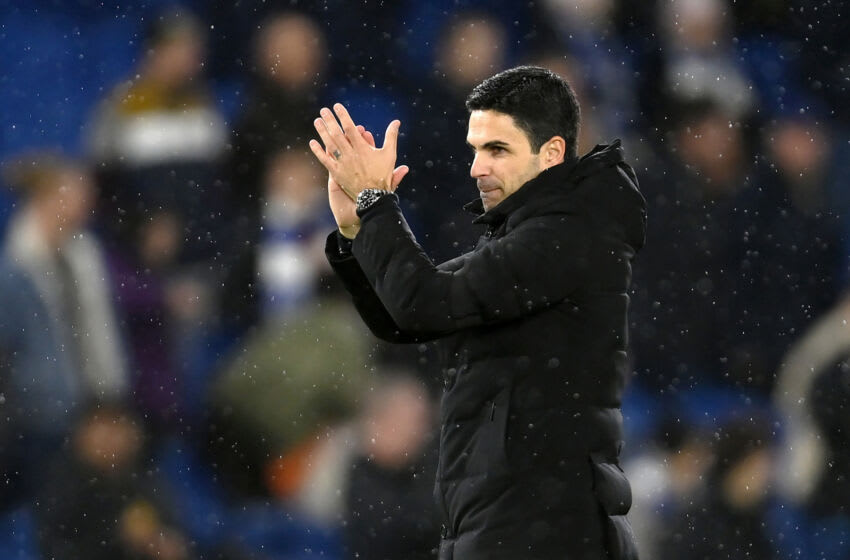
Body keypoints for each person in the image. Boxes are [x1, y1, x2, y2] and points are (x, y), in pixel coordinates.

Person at [310, 66, 646, 559]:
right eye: (475, 149)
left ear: (551, 154)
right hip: (505, 520)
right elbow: (404, 316)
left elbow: (424, 305)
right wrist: (359, 228)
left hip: (542, 531)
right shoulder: (533, 234)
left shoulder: (566, 234)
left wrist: (378, 204)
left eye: (497, 150)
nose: (476, 167)